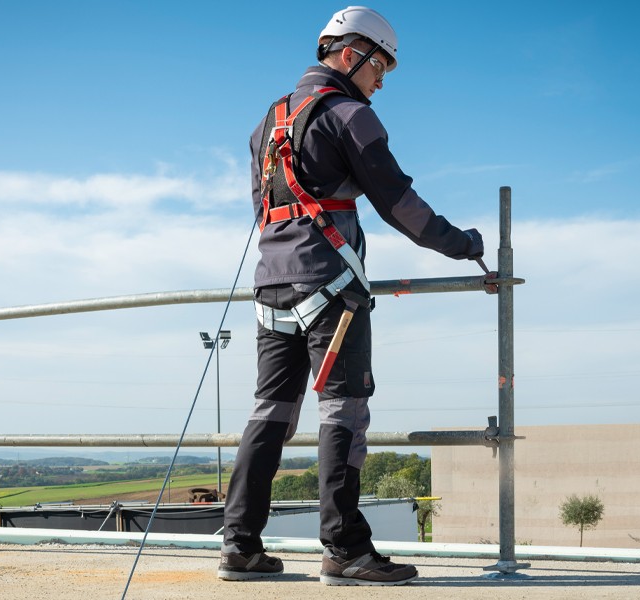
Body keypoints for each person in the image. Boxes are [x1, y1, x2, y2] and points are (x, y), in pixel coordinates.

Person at [218, 6, 484, 586]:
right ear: (352, 54)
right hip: (329, 285)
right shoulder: (350, 114)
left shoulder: (269, 119)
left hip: (270, 285)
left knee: (270, 413)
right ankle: (344, 550)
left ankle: (239, 545)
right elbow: (397, 202)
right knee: (344, 411)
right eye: (380, 67)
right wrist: (461, 244)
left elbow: (264, 205)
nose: (382, 81)